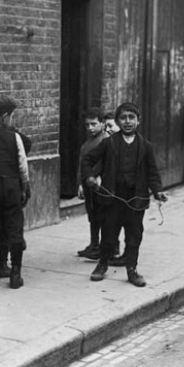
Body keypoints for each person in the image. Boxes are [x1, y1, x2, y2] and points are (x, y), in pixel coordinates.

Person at [81, 102, 167, 287]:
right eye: (123, 118)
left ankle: (132, 269)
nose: (127, 121)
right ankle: (102, 265)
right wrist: (89, 177)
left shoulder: (146, 146)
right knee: (109, 233)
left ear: (138, 121)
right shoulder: (109, 143)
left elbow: (153, 173)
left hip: (136, 198)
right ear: (117, 122)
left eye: (131, 118)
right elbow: (88, 159)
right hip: (113, 197)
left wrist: (158, 191)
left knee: (134, 235)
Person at [0, 95, 31, 289]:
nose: (11, 120)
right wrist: (25, 187)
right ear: (4, 117)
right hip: (11, 187)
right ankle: (15, 274)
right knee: (14, 229)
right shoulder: (14, 136)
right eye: (11, 116)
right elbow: (22, 166)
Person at [75, 107, 109, 261]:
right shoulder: (86, 144)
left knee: (103, 215)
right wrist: (80, 184)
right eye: (87, 125)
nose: (90, 128)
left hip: (101, 184)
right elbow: (81, 165)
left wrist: (101, 176)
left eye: (94, 124)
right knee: (92, 214)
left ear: (102, 123)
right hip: (88, 183)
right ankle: (93, 244)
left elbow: (107, 163)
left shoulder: (106, 141)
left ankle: (104, 246)